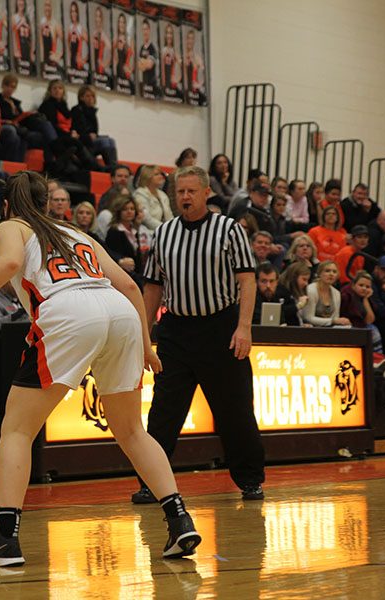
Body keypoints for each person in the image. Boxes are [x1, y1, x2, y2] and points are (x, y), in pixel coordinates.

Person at [0, 169, 201, 565]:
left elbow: (10, 263)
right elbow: (131, 287)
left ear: (7, 205)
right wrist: (147, 345)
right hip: (119, 314)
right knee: (133, 430)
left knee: (16, 428)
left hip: (68, 311)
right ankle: (179, 519)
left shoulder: (11, 226)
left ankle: (5, 537)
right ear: (47, 203)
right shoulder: (77, 233)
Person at [138, 165, 265, 502]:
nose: (185, 197)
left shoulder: (228, 229)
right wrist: (143, 334)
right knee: (164, 411)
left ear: (207, 193)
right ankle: (153, 483)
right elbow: (152, 287)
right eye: (180, 192)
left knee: (234, 409)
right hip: (176, 330)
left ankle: (250, 480)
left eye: (192, 191)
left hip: (220, 327)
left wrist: (244, 327)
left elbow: (247, 279)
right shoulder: (163, 233)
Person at [105, 196, 149, 285]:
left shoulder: (134, 230)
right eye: (125, 209)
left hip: (135, 276)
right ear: (119, 212)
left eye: (132, 209)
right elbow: (111, 255)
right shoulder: (114, 231)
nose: (129, 212)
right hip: (122, 277)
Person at [71, 85, 117, 167]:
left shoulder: (92, 112)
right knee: (104, 141)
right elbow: (75, 131)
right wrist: (88, 136)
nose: (91, 98)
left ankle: (114, 167)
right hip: (83, 141)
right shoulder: (77, 110)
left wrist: (94, 136)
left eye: (92, 96)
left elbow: (94, 131)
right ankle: (112, 168)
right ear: (81, 97)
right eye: (87, 96)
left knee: (111, 140)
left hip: (91, 140)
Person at [300, 260, 350, 327]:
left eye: (334, 272)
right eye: (327, 271)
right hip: (310, 328)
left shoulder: (337, 293)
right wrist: (332, 321)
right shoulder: (311, 290)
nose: (331, 274)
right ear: (319, 273)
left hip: (329, 329)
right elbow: (308, 318)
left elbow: (336, 317)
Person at [252, 262, 299, 326]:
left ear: (277, 282)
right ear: (257, 282)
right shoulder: (251, 297)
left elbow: (293, 321)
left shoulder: (283, 293)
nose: (268, 286)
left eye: (271, 281)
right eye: (264, 281)